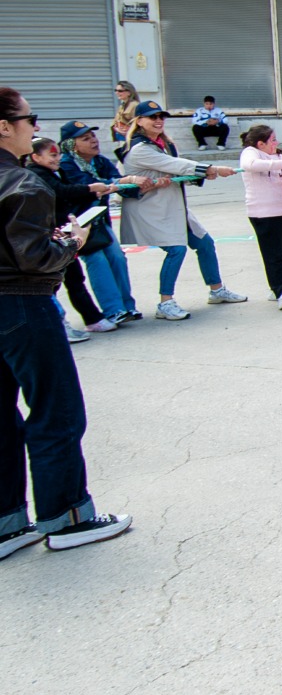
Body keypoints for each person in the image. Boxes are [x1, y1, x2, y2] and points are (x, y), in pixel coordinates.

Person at [0, 86, 132, 556]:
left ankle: (8, 522)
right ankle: (68, 516)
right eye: (28, 118)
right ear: (5, 127)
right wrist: (70, 241)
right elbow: (35, 258)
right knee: (56, 411)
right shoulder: (23, 183)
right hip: (21, 304)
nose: (33, 126)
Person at [118, 100, 247, 320]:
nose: (158, 121)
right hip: (152, 210)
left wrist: (200, 174)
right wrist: (211, 169)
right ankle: (165, 302)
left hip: (174, 207)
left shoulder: (163, 144)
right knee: (176, 250)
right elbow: (176, 166)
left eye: (161, 117)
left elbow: (175, 172)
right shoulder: (140, 149)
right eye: (152, 117)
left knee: (204, 243)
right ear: (139, 121)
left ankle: (216, 290)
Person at [25, 138, 118, 336]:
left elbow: (69, 192)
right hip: (49, 236)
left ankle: (92, 318)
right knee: (53, 283)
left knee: (74, 278)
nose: (58, 158)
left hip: (63, 233)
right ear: (35, 157)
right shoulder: (35, 174)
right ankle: (58, 325)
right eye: (52, 155)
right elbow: (62, 191)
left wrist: (94, 193)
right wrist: (92, 188)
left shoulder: (52, 172)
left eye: (58, 154)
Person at [58, 122, 145, 324]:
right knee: (97, 261)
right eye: (85, 138)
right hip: (79, 224)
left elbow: (120, 182)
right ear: (71, 144)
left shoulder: (99, 161)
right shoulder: (66, 165)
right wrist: (121, 183)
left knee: (117, 258)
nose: (93, 141)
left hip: (99, 221)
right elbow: (89, 185)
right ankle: (113, 310)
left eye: (93, 136)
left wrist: (139, 184)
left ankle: (127, 306)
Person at [238, 125, 282, 310]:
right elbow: (250, 166)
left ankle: (279, 286)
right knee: (274, 255)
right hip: (263, 213)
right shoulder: (250, 153)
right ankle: (281, 291)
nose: (276, 143)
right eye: (273, 139)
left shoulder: (277, 155)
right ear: (261, 143)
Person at [110, 80, 139, 149]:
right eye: (116, 90)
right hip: (122, 139)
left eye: (120, 91)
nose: (117, 93)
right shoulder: (122, 106)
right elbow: (116, 121)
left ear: (129, 92)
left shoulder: (135, 105)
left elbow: (138, 123)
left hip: (131, 139)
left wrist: (128, 132)